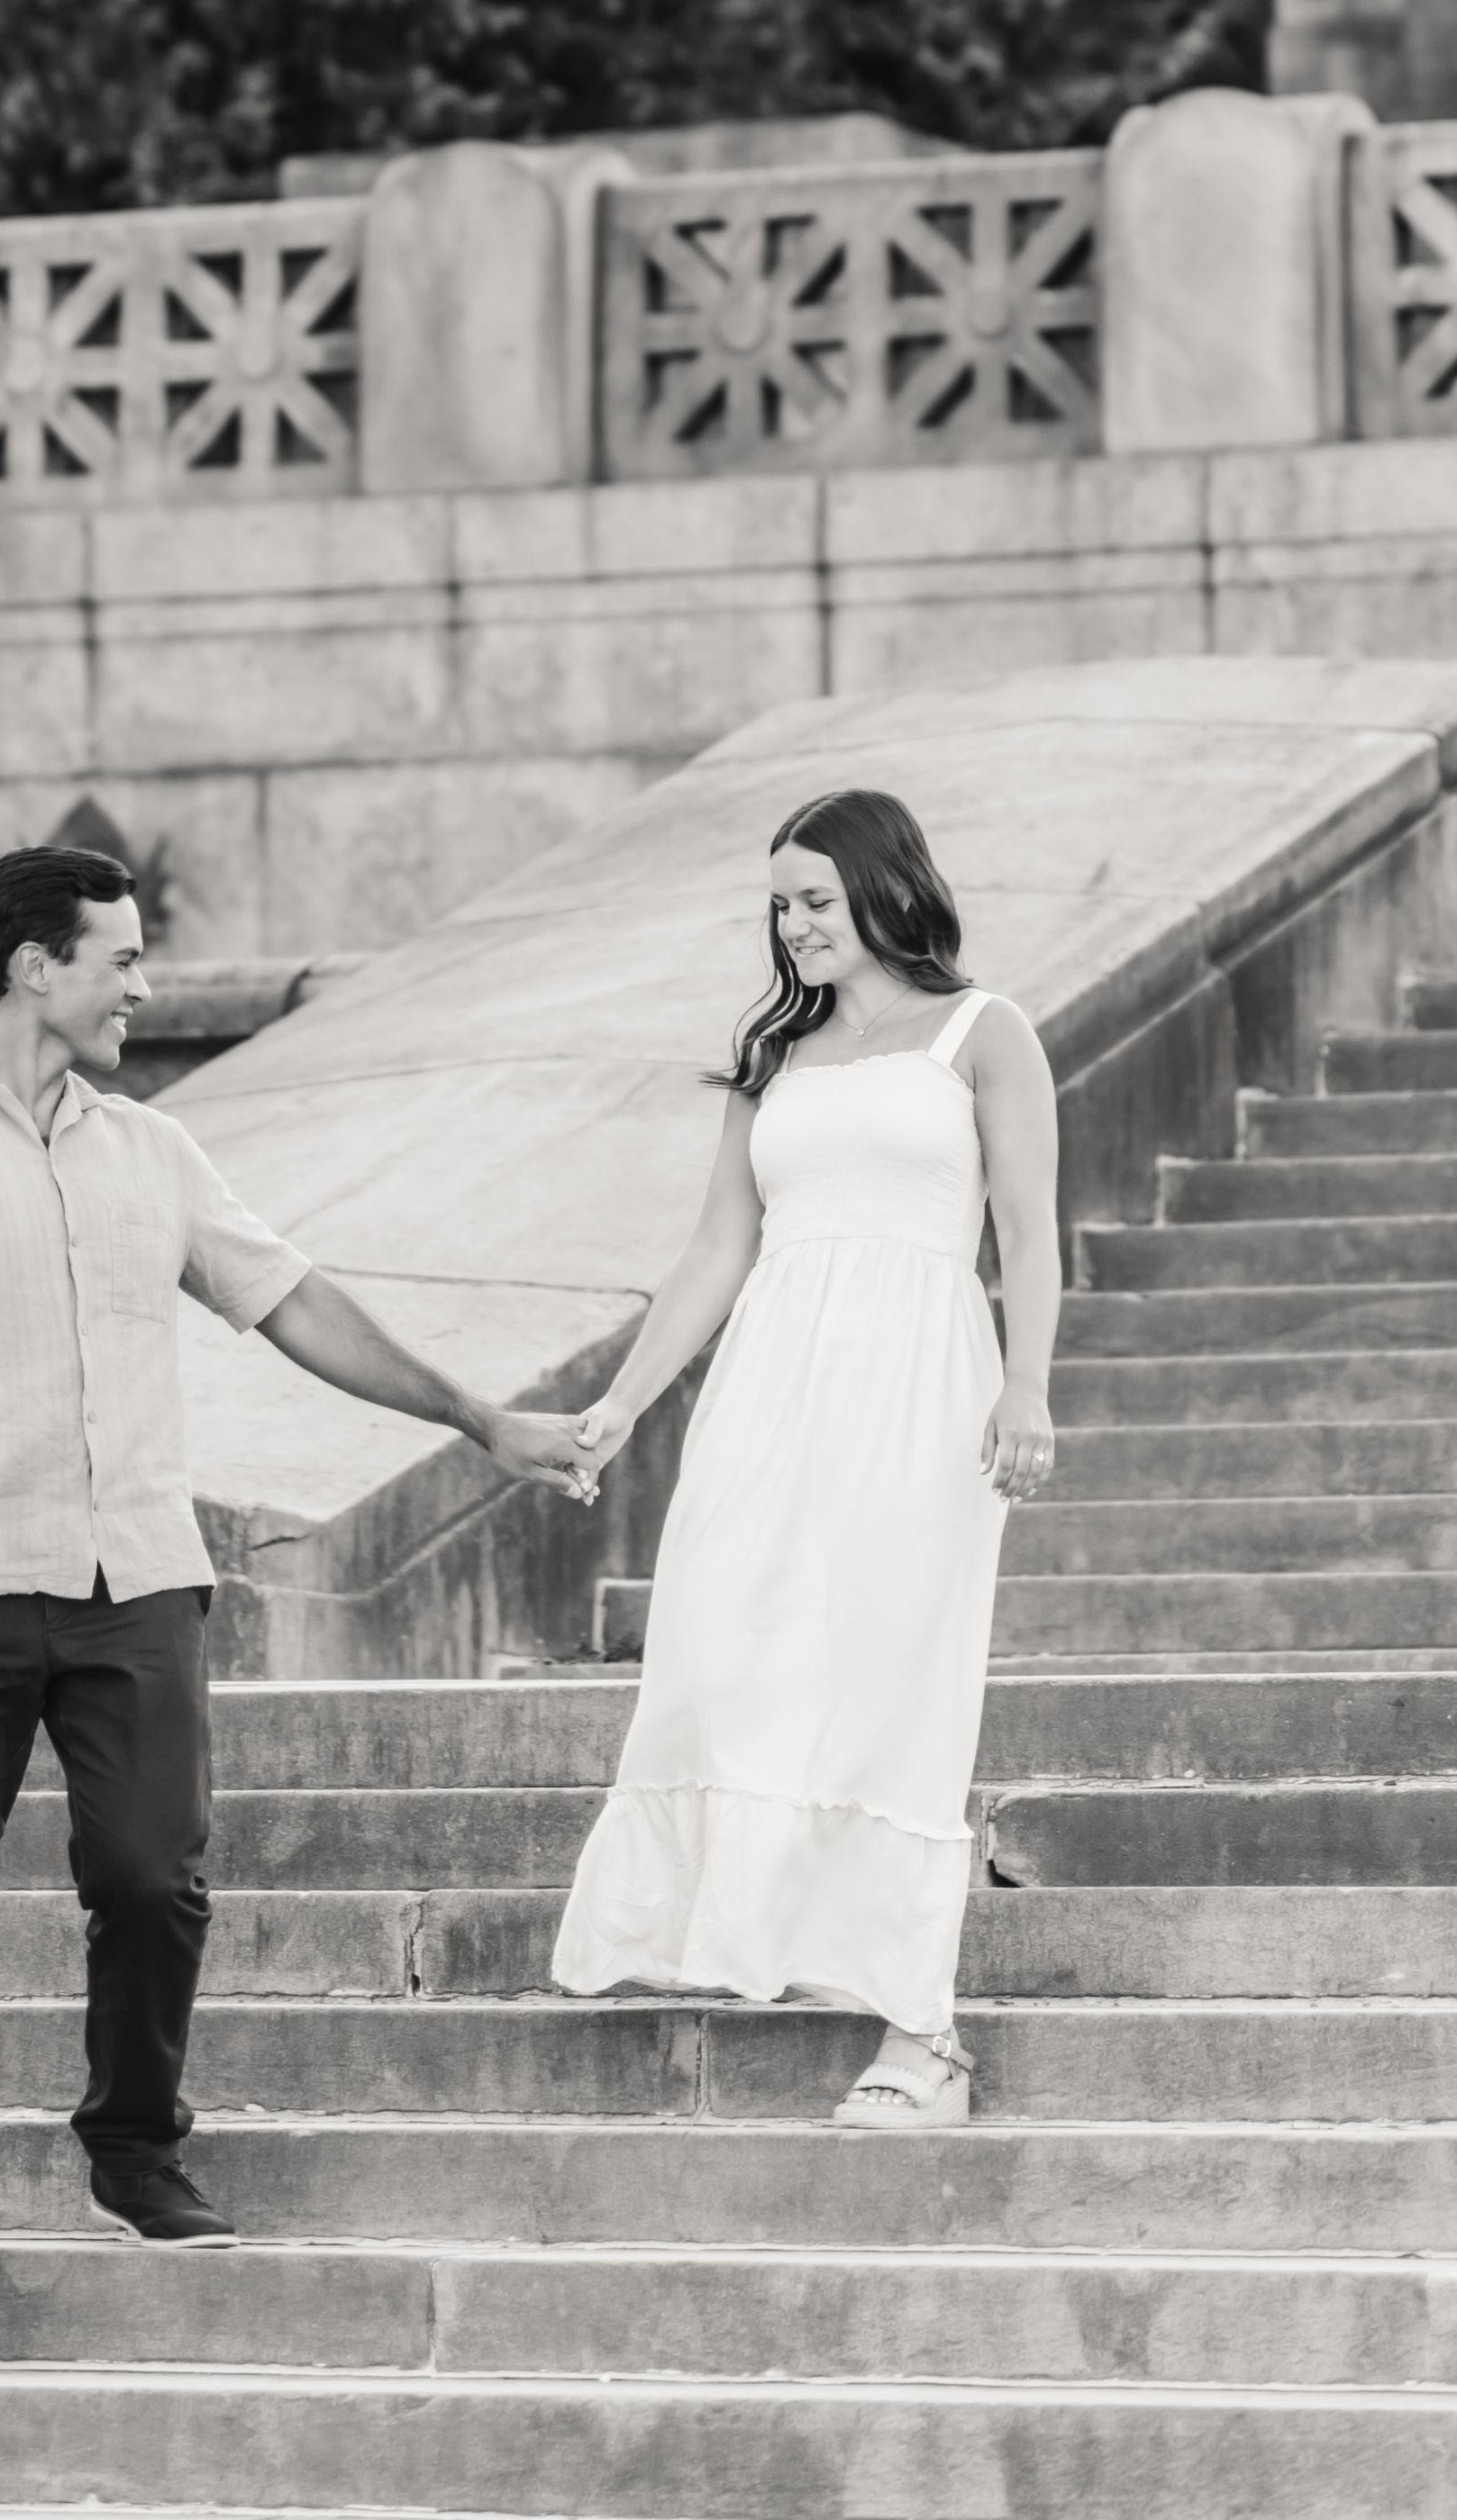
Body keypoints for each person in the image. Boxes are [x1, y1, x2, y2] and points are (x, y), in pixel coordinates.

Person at [0, 842, 587, 2379]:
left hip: (134, 1578)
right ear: (36, 967)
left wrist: (479, 1417)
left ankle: (133, 2144)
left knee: (155, 1881)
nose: (143, 989)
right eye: (123, 959)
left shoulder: (151, 1151)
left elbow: (294, 1301)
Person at [543, 787, 1062, 2125]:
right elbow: (718, 1247)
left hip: (921, 1386)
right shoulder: (776, 1052)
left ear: (888, 889)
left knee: (896, 1684)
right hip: (772, 1383)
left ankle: (923, 2038)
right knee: (725, 1648)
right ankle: (755, 1927)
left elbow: (1028, 1228)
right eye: (779, 903)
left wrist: (1027, 1388)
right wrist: (623, 1403)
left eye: (816, 899)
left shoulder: (984, 1032)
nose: (793, 925)